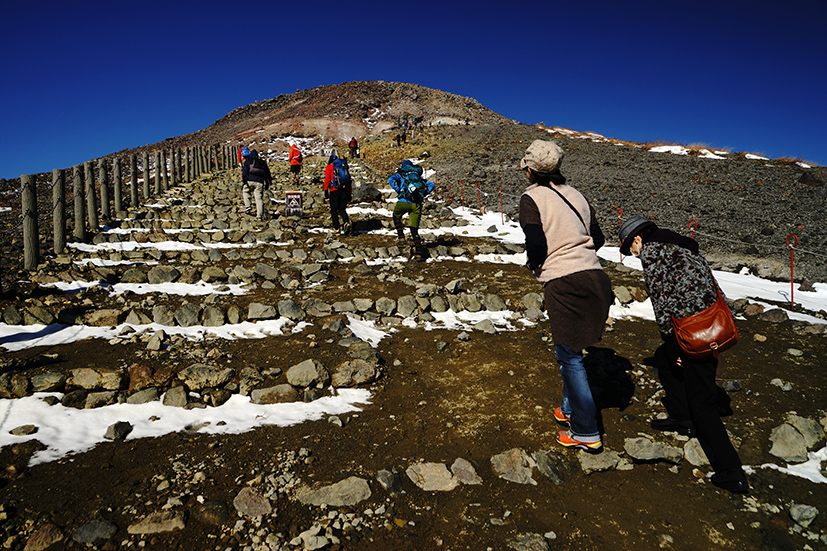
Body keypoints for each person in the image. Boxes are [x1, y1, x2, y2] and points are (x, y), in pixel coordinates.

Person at [619, 216, 749, 494]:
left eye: (631, 247)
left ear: (638, 239)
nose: (633, 253)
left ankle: (731, 471)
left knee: (701, 400)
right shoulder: (681, 246)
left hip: (692, 329)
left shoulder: (653, 253)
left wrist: (674, 343)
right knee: (664, 360)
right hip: (710, 322)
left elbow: (663, 300)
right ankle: (681, 417)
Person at [518, 139, 613, 453]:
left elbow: (536, 243)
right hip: (596, 277)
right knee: (575, 351)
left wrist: (536, 265)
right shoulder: (577, 195)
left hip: (564, 281)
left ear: (531, 170)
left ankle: (586, 432)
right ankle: (570, 410)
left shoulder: (532, 198)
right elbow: (597, 237)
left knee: (569, 358)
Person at [388, 160, 435, 261]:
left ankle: (401, 237)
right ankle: (418, 252)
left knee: (396, 216)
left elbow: (391, 179)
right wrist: (425, 193)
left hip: (403, 202)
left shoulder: (401, 175)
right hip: (417, 204)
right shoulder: (419, 178)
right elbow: (432, 185)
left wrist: (398, 190)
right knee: (414, 228)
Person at [324, 153, 352, 235]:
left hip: (334, 190)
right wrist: (349, 193)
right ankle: (346, 222)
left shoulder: (329, 167)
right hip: (345, 190)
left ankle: (336, 228)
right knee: (342, 209)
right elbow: (349, 181)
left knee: (334, 210)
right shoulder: (344, 167)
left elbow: (327, 179)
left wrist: (326, 190)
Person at [240, 148, 272, 220]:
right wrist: (268, 183)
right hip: (260, 182)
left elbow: (245, 171)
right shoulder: (262, 162)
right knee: (258, 198)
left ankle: (248, 206)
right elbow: (267, 173)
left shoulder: (249, 160)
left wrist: (244, 180)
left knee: (245, 191)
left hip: (250, 180)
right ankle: (259, 216)